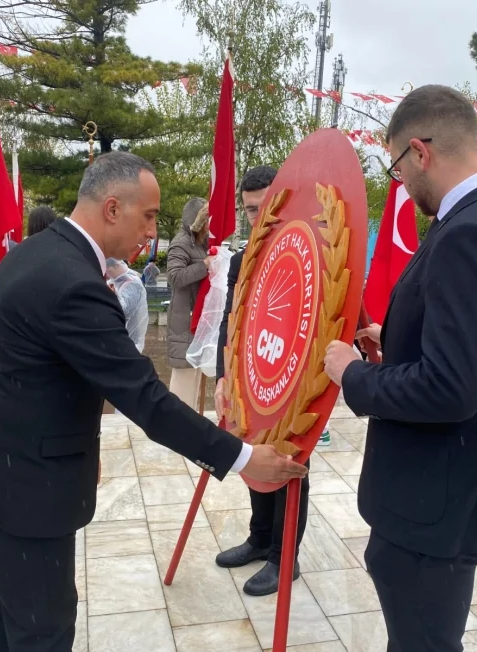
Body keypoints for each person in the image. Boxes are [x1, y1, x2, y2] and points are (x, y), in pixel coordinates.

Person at [0, 152, 306, 652]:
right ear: (111, 208)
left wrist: (83, 444)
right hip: (20, 492)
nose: (152, 232)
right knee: (42, 629)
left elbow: (39, 374)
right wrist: (243, 457)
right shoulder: (73, 284)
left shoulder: (37, 251)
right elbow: (145, 397)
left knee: (1, 607)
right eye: (148, 216)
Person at [322, 85, 477, 652]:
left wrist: (353, 375)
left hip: (433, 506)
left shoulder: (470, 233)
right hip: (443, 497)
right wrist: (397, 338)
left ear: (419, 151)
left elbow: (452, 388)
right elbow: (474, 350)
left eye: (397, 167)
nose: (400, 182)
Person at [211, 165, 323, 597]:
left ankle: (283, 556)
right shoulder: (244, 259)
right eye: (249, 210)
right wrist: (223, 376)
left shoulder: (310, 246)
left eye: (264, 207)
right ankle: (259, 539)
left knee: (289, 464)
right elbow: (230, 319)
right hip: (253, 375)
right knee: (253, 454)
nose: (257, 218)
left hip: (295, 378)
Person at [166, 197, 211, 408]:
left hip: (198, 321)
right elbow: (174, 277)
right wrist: (205, 265)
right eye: (207, 220)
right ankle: (175, 426)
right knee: (183, 384)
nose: (210, 225)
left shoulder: (201, 243)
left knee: (194, 379)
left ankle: (190, 424)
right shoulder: (181, 243)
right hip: (184, 322)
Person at [106, 257, 148, 352]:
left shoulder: (133, 283)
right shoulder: (115, 281)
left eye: (108, 269)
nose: (107, 273)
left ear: (117, 266)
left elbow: (125, 311)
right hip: (118, 337)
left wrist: (111, 296)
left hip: (130, 339)